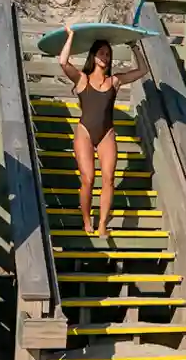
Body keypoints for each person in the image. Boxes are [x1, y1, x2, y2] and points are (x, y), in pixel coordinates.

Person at [57, 26, 149, 236]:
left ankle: (102, 225)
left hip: (107, 133)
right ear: (94, 55)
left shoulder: (114, 81)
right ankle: (87, 220)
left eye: (108, 54)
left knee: (108, 179)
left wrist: (134, 47)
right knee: (88, 178)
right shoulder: (82, 79)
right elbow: (63, 62)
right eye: (101, 53)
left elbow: (142, 71)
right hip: (85, 133)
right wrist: (70, 36)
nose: (105, 57)